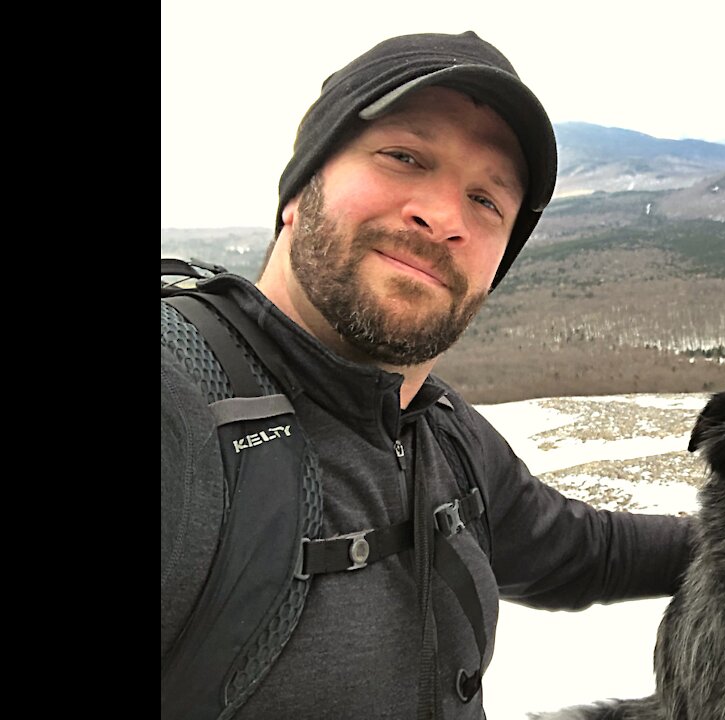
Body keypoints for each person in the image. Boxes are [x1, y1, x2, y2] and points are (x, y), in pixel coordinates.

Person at [161, 31, 693, 719]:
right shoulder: (185, 409)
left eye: (486, 201)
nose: (442, 216)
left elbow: (584, 551)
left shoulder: (445, 441)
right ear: (299, 189)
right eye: (404, 157)